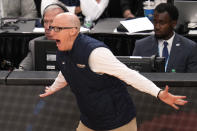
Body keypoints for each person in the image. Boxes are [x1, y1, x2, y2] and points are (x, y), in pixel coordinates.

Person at [39, 12, 187, 131]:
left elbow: (129, 75)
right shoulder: (62, 50)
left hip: (118, 122)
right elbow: (66, 70)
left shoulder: (96, 53)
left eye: (57, 28)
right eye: (52, 28)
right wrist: (53, 88)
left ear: (73, 31)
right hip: (89, 121)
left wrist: (158, 93)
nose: (52, 32)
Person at [132, 3, 197, 73]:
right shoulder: (141, 46)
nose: (157, 27)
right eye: (155, 22)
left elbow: (191, 80)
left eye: (161, 23)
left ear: (174, 24)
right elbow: (134, 77)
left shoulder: (189, 48)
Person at [18, 2, 68, 71]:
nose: (47, 27)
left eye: (52, 22)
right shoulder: (34, 44)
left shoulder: (80, 44)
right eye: (45, 21)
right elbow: (22, 71)